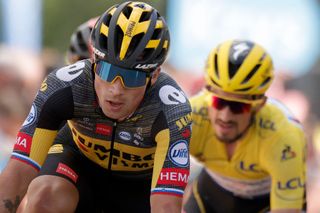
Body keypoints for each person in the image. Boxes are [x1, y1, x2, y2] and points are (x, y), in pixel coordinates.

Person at [0, 1, 192, 213]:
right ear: (94, 59)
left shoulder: (172, 109)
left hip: (138, 188)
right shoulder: (64, 86)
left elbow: (166, 206)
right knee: (45, 196)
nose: (116, 89)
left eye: (132, 77)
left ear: (154, 75)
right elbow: (18, 171)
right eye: (108, 71)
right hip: (77, 166)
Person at [183, 40, 306, 213]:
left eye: (238, 106)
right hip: (212, 194)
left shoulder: (283, 135)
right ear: (206, 94)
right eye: (218, 102)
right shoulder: (189, 115)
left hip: (267, 201)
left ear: (260, 105)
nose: (225, 116)